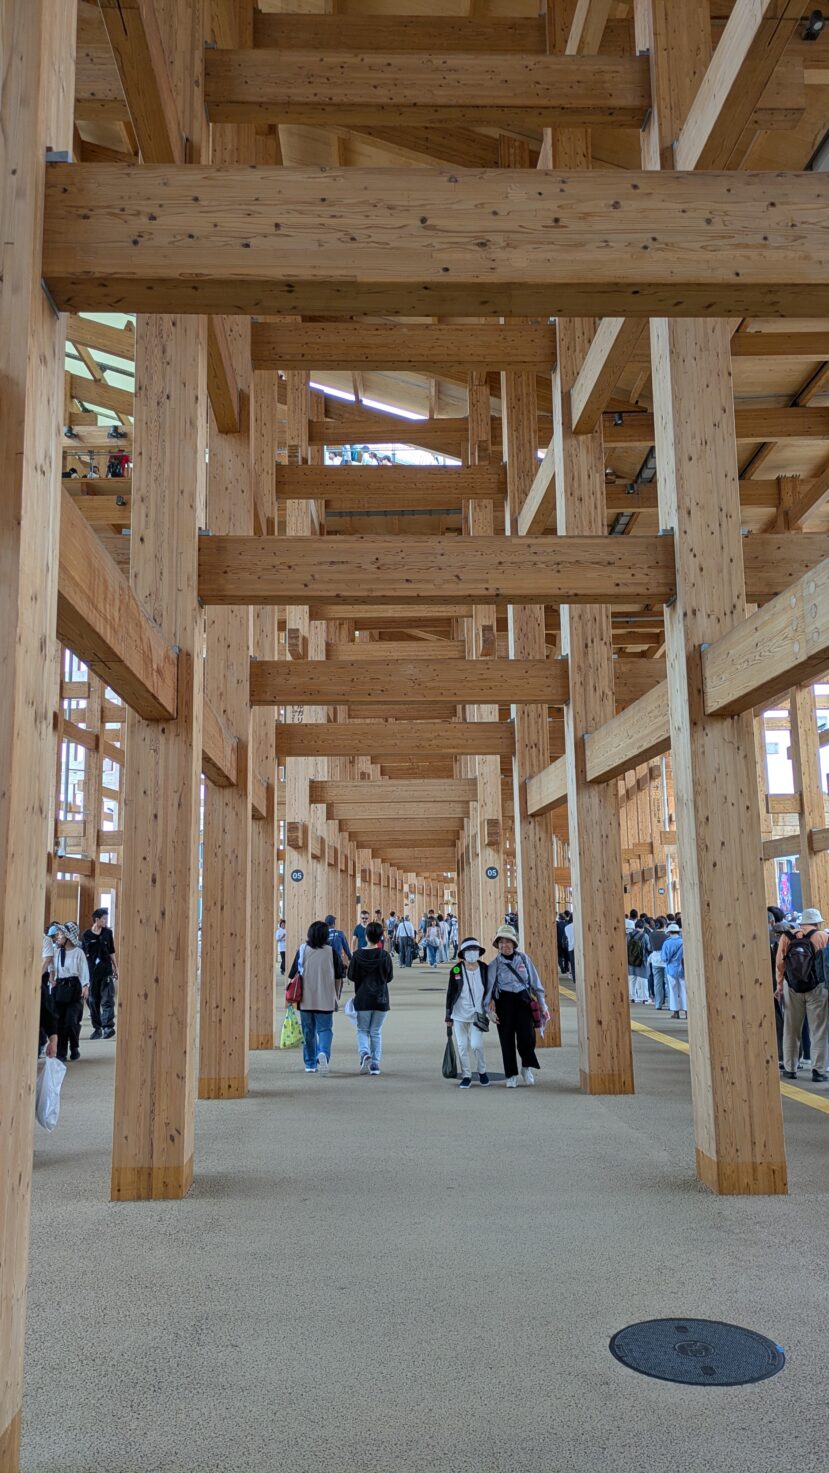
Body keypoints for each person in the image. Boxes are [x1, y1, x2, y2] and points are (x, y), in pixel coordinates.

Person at [486, 924, 549, 1088]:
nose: (504, 945)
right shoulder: (494, 964)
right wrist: (488, 1011)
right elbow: (488, 990)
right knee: (506, 1040)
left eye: (508, 941)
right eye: (501, 942)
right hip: (504, 1003)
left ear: (514, 943)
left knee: (527, 1037)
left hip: (523, 1001)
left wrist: (543, 1005)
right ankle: (511, 1075)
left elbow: (536, 983)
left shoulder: (523, 959)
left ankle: (526, 1067)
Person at [774, 907, 829, 1083]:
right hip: (817, 988)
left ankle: (790, 1068)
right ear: (817, 922)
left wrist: (779, 986)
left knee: (791, 1029)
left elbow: (780, 964)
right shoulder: (823, 937)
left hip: (792, 988)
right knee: (818, 1029)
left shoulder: (786, 937)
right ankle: (818, 1071)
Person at [297, 920, 343, 1076]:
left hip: (305, 999)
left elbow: (293, 974)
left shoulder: (302, 950)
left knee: (308, 1032)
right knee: (325, 1030)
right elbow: (338, 976)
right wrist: (336, 996)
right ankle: (323, 1053)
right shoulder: (332, 952)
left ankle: (310, 1063)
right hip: (326, 998)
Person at [348, 920, 393, 1076]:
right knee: (375, 1031)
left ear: (366, 936)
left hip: (363, 997)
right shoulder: (385, 955)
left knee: (362, 1029)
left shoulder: (357, 955)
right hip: (381, 998)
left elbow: (351, 976)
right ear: (380, 937)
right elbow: (389, 977)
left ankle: (364, 1053)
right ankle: (375, 1064)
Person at [445, 937, 490, 1088]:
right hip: (459, 1014)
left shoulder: (484, 968)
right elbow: (450, 994)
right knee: (462, 1046)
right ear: (463, 953)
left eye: (475, 950)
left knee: (476, 1045)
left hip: (478, 1014)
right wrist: (448, 1016)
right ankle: (466, 1075)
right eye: (469, 950)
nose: (472, 953)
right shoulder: (456, 970)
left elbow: (490, 989)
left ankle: (482, 1071)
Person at [51, 921, 89, 1062]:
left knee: (71, 1021)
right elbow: (51, 968)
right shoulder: (56, 952)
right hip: (59, 988)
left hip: (74, 988)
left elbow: (84, 971)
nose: (58, 936)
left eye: (61, 934)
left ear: (68, 936)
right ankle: (61, 1052)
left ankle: (74, 1046)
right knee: (59, 1021)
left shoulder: (79, 953)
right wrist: (51, 980)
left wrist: (85, 986)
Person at [82, 906, 117, 1040]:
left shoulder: (108, 933)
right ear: (96, 919)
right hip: (91, 973)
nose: (105, 921)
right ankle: (97, 1028)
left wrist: (116, 967)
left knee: (107, 999)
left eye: (106, 919)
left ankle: (108, 1027)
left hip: (106, 971)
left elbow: (111, 951)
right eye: (104, 919)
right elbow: (82, 955)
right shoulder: (86, 935)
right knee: (92, 1001)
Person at [661, 923, 686, 1019]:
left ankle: (676, 1012)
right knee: (684, 990)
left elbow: (664, 958)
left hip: (671, 969)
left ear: (669, 932)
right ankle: (687, 1011)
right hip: (683, 969)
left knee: (673, 990)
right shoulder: (683, 941)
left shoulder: (666, 943)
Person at [647, 916, 669, 1011]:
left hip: (655, 959)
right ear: (664, 925)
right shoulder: (667, 936)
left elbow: (649, 947)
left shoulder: (651, 934)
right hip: (665, 960)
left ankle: (658, 1004)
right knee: (668, 982)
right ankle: (670, 1004)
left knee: (657, 983)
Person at [627, 917, 650, 1004]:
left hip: (630, 960)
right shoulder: (644, 936)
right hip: (641, 960)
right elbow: (649, 948)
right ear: (643, 927)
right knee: (643, 979)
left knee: (632, 979)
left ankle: (632, 997)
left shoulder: (629, 935)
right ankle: (644, 998)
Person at [564, 912, 575, 982]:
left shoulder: (567, 927)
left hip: (571, 948)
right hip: (579, 948)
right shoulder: (579, 925)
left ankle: (574, 979)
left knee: (573, 964)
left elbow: (567, 937)